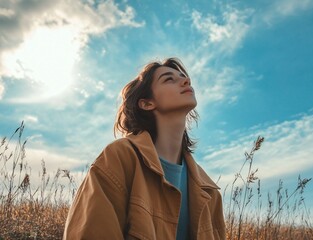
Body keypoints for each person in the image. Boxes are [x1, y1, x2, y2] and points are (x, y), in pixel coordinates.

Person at [63, 57, 226, 239]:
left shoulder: (209, 192)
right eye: (169, 79)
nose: (186, 80)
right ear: (147, 103)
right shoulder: (119, 157)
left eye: (183, 77)